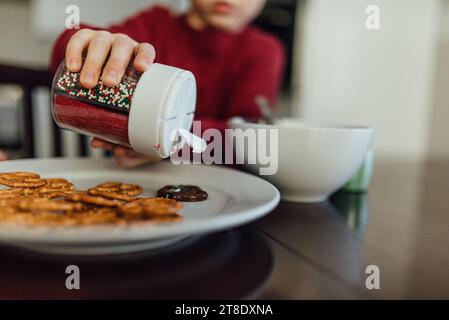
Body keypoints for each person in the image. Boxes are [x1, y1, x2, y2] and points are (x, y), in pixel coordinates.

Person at [51, 0, 285, 167]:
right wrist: (90, 42)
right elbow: (67, 49)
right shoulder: (156, 24)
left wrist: (169, 140)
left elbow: (249, 138)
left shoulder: (264, 51)